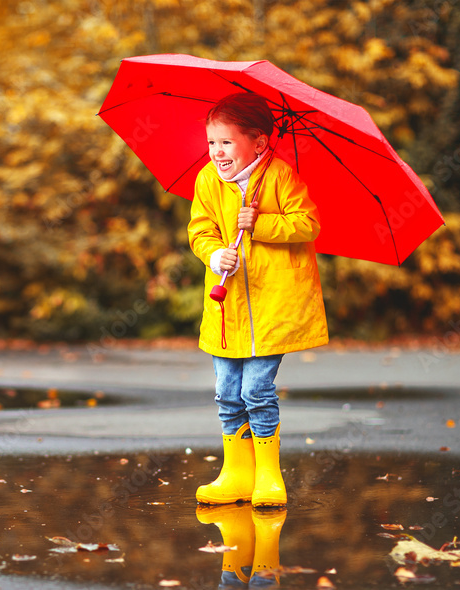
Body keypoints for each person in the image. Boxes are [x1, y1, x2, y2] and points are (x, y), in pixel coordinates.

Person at [188, 92, 328, 508]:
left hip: (273, 307)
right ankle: (237, 473)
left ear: (259, 142)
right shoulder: (207, 181)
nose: (216, 152)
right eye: (212, 142)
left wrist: (261, 223)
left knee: (257, 391)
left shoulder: (282, 176)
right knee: (227, 392)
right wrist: (215, 252)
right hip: (227, 307)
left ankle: (268, 475)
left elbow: (308, 224)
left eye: (226, 142)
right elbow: (199, 230)